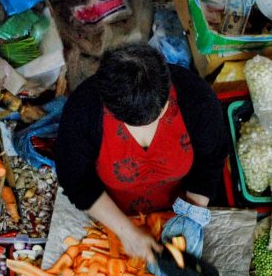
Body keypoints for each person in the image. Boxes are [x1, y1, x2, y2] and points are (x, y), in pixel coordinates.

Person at [55, 43, 227, 263]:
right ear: (110, 108)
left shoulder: (197, 99)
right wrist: (126, 232)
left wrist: (189, 218)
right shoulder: (83, 110)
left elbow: (211, 161)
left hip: (181, 205)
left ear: (166, 98)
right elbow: (78, 183)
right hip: (115, 215)